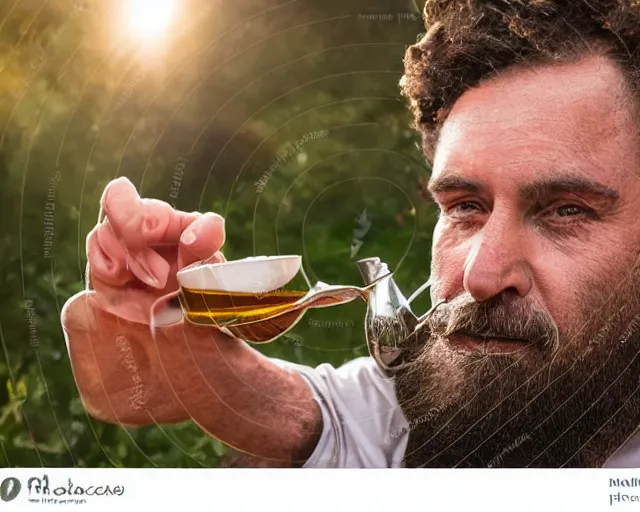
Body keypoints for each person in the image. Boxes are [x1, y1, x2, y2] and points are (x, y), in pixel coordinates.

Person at [61, 0, 640, 468]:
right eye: (466, 206)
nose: (480, 275)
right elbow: (324, 418)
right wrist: (176, 336)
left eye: (566, 210)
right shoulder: (432, 389)